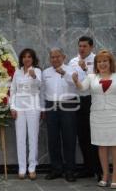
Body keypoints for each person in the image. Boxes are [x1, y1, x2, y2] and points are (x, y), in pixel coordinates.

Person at [72, 50, 116, 188]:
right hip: (97, 115)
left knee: (114, 147)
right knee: (101, 146)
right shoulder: (91, 77)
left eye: (105, 61)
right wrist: (76, 81)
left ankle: (115, 176)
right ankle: (105, 175)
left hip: (114, 115)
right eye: (100, 61)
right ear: (96, 64)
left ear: (110, 63)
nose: (102, 64)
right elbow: (82, 88)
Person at [41, 48, 79, 182]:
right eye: (52, 57)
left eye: (57, 57)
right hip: (51, 106)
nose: (55, 59)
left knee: (69, 139)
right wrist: (42, 109)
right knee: (53, 139)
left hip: (68, 105)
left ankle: (70, 170)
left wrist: (64, 74)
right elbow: (43, 91)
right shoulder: (46, 72)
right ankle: (56, 169)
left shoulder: (71, 70)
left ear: (64, 57)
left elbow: (75, 85)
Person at [69, 36, 101, 179]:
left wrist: (85, 68)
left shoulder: (97, 60)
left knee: (95, 136)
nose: (81, 49)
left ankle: (99, 170)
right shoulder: (73, 61)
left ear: (91, 47)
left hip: (92, 100)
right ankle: (88, 168)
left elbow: (97, 81)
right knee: (82, 136)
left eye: (84, 46)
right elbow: (70, 81)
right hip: (78, 101)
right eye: (80, 46)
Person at [10, 48, 42, 180]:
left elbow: (39, 86)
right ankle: (22, 168)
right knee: (20, 138)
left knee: (33, 137)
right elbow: (13, 90)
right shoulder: (17, 72)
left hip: (33, 107)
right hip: (19, 107)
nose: (26, 59)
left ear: (33, 58)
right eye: (24, 57)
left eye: (29, 57)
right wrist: (12, 107)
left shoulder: (37, 71)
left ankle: (32, 168)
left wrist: (34, 76)